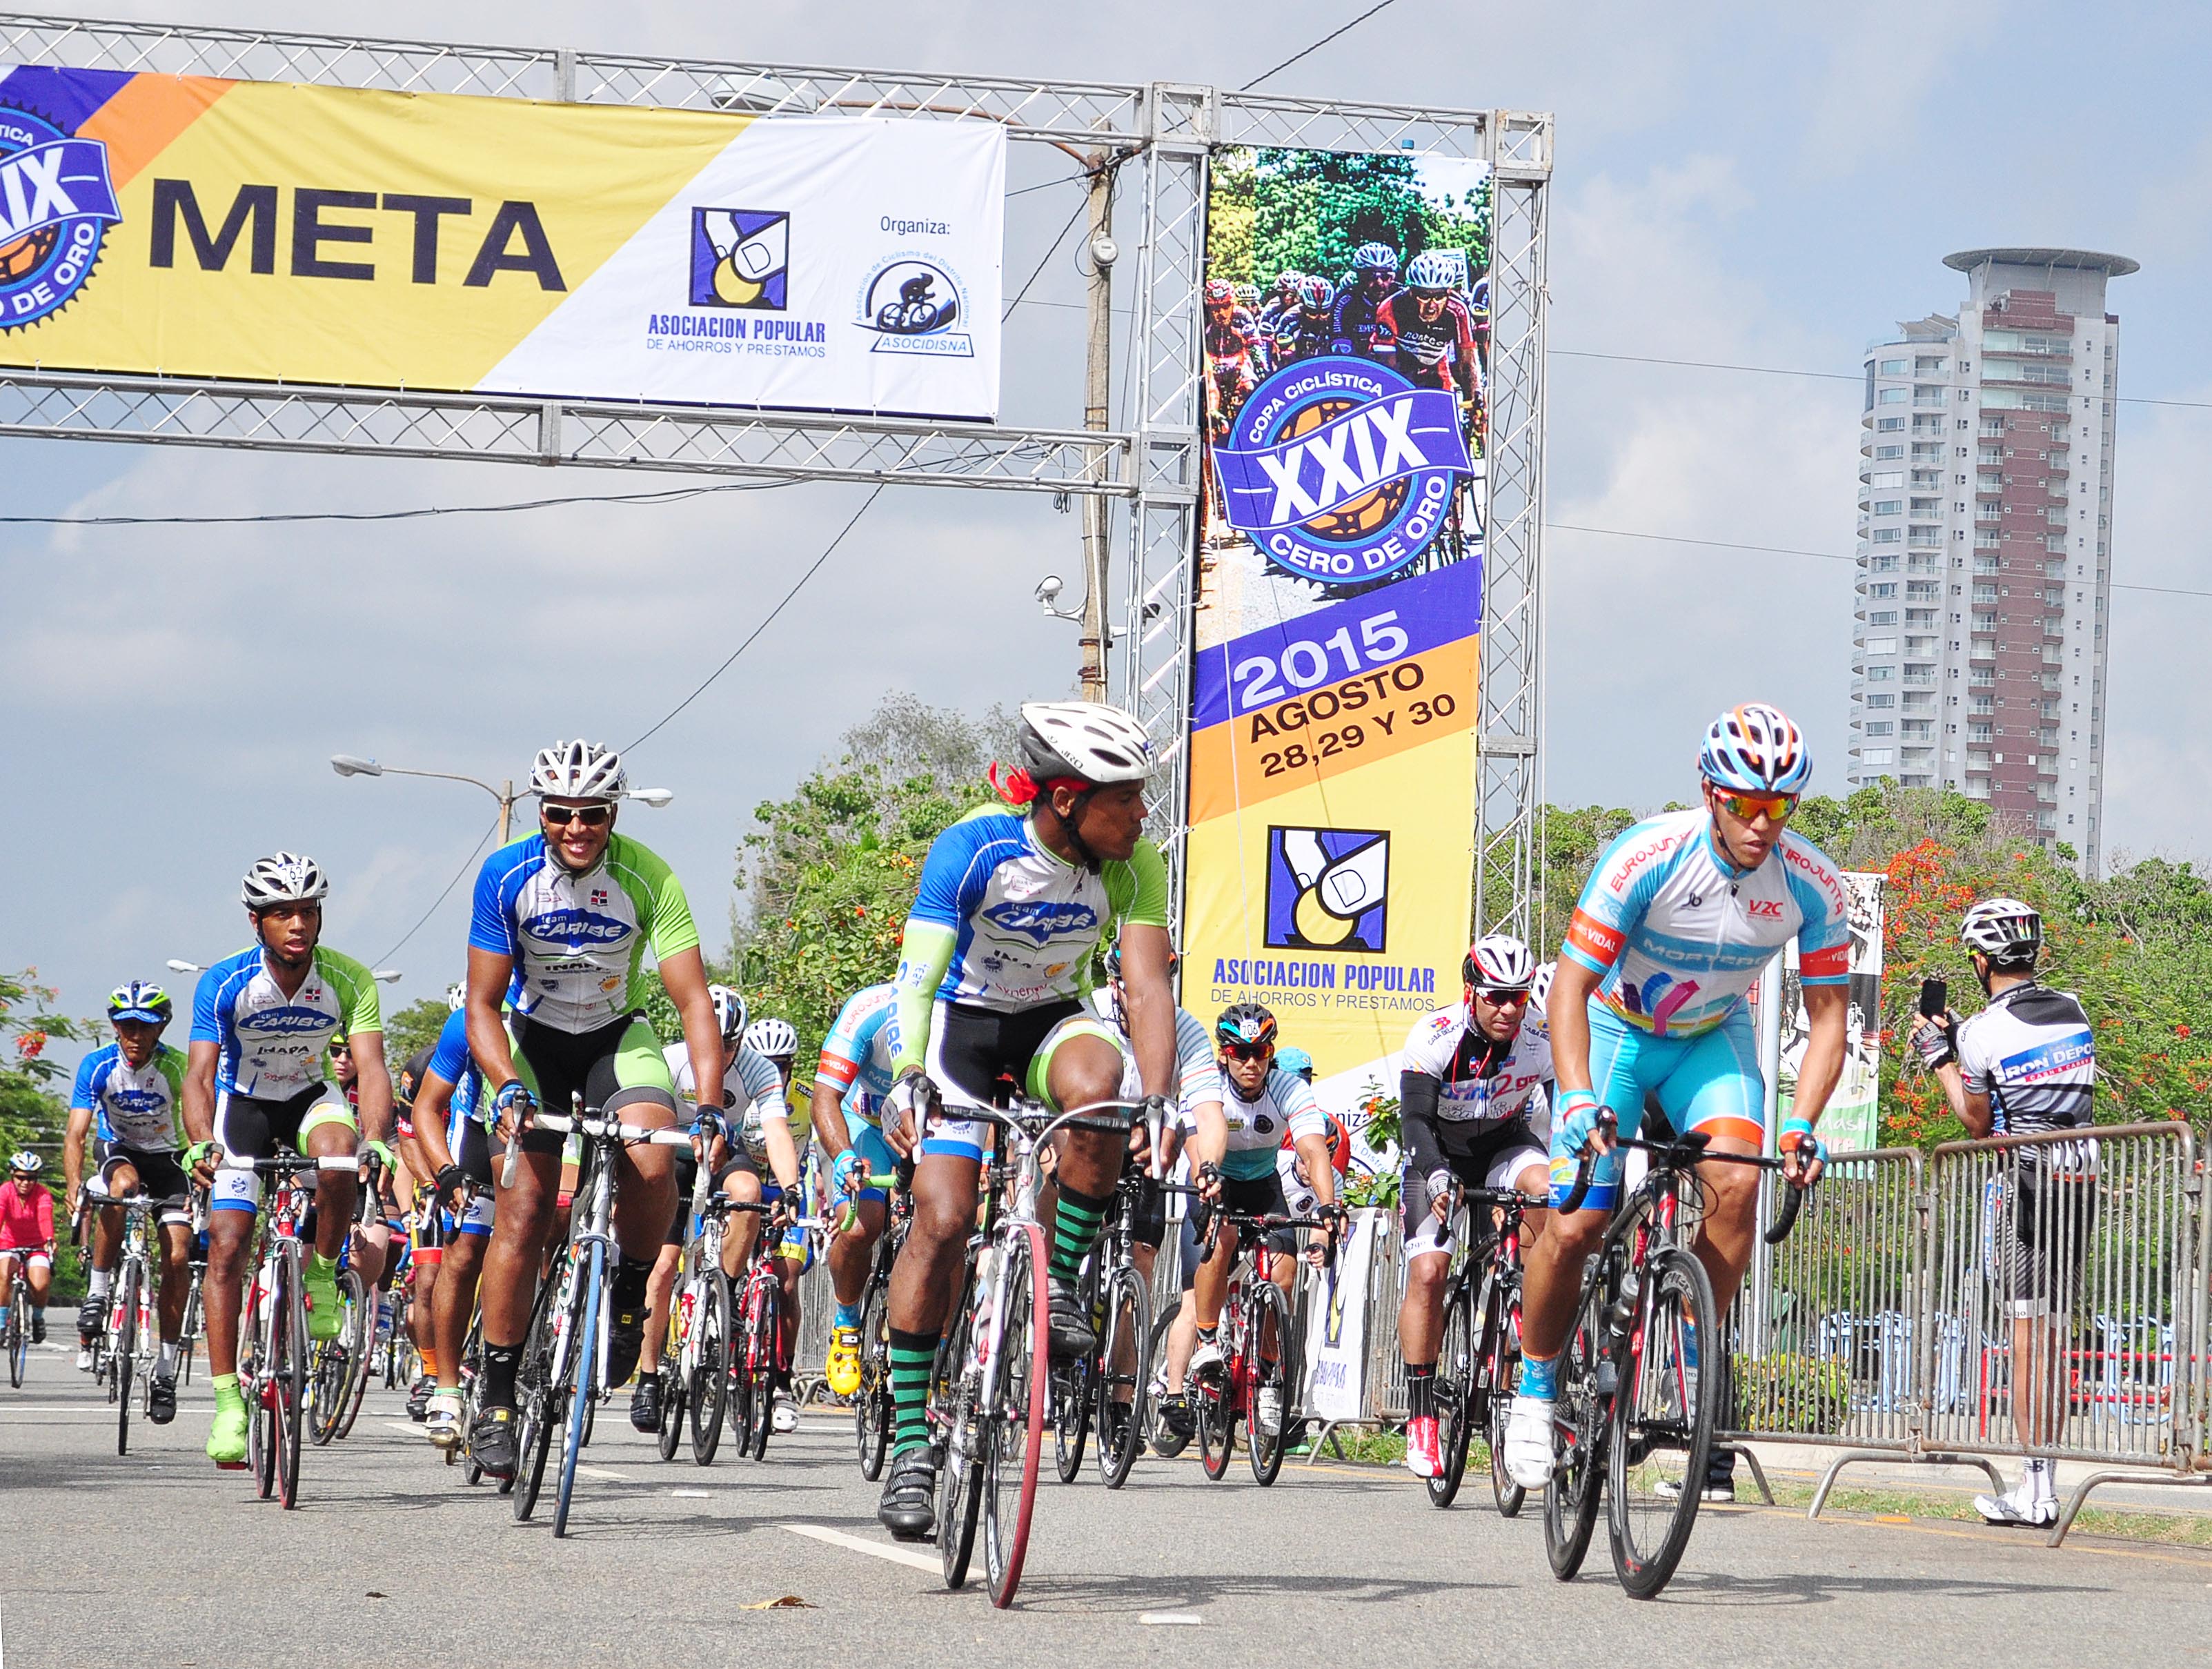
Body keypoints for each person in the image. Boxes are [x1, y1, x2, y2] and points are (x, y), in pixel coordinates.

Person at [1503, 705, 1845, 1499]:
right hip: (1612, 1028)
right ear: (1708, 792)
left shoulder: (1808, 882)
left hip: (1705, 1038)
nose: (1761, 824)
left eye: (1779, 807)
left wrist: (1800, 1123)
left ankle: (1692, 1349)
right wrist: (1580, 1095)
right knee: (1578, 1218)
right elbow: (1568, 989)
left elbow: (1829, 1017)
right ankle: (1534, 1385)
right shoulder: (1645, 855)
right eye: (1742, 803)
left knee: (1740, 1178)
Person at [871, 700, 1177, 1540]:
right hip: (958, 1032)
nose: (1142, 815)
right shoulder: (975, 849)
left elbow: (1148, 988)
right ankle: (909, 1449)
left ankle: (1064, 1282)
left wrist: (1162, 1096)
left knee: (1104, 1086)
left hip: (1050, 1021)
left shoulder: (1133, 864)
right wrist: (904, 1075)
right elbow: (917, 980)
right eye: (1127, 798)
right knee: (942, 1218)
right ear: (1069, 798)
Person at [462, 740, 722, 1479]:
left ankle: (633, 1288)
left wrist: (705, 1103)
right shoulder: (506, 874)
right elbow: (482, 1004)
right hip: (533, 1043)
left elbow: (692, 998)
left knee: (651, 1155)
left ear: (614, 812)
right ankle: (500, 1396)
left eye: (593, 813)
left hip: (616, 1035)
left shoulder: (647, 875)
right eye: (561, 813)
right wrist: (506, 1084)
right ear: (542, 814)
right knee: (524, 1210)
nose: (576, 826)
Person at [183, 853, 395, 1469]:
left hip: (309, 1097)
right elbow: (198, 1075)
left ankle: (323, 1271)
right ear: (257, 922)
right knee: (227, 1243)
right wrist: (201, 1141)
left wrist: (376, 1138)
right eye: (282, 913)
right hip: (243, 1105)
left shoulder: (350, 979)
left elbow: (373, 1067)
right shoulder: (224, 981)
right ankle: (228, 1402)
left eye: (307, 910)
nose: (297, 923)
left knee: (340, 1158)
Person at [1914, 898, 2095, 1528]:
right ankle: (2045, 1479)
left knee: (2025, 1332)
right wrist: (1963, 1037)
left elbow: (1977, 1117)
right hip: (2081, 1179)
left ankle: (2033, 1489)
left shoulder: (1981, 1034)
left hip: (2023, 1186)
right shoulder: (2074, 1009)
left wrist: (1940, 1056)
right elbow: (2026, 1059)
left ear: (1980, 960)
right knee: (2055, 1330)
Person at [1395, 935, 1552, 1480]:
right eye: (1497, 996)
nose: (1510, 1008)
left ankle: (1525, 1299)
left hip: (1503, 1147)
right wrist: (1436, 1175)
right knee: (1431, 1270)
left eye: (1520, 996)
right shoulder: (1435, 1034)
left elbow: (1563, 1106)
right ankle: (1421, 1413)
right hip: (1435, 1154)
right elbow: (1413, 1120)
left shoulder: (1540, 1035)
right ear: (1471, 992)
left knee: (1546, 1184)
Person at [634, 996, 797, 1436]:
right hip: (674, 1152)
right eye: (711, 1041)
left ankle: (724, 1287)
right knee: (664, 1266)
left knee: (747, 1192)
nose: (720, 1052)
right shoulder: (669, 1061)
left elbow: (778, 1132)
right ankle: (649, 1378)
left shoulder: (758, 1069)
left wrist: (792, 1187)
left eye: (729, 1044)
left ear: (740, 1041)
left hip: (725, 1149)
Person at [1185, 1003, 1339, 1442]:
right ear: (1224, 1054)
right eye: (1240, 1052)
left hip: (1263, 1181)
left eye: (1261, 1052)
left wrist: (1327, 1207)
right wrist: (1206, 1179)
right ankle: (1208, 1339)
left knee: (1285, 1271)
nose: (1251, 1062)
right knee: (1224, 1235)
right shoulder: (1209, 1085)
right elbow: (1197, 1142)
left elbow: (1314, 1149)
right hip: (1215, 1175)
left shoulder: (1288, 1087)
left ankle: (1268, 1375)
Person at [65, 981, 192, 1415]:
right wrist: (70, 1186)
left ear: (161, 1029)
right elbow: (77, 1132)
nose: (135, 1035)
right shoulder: (98, 1065)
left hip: (169, 1158)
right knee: (120, 1190)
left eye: (146, 1026)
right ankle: (99, 1291)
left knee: (177, 1256)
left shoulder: (176, 1067)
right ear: (115, 1027)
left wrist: (202, 1173)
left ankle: (166, 1371)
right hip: (118, 1151)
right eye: (126, 1025)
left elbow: (198, 1123)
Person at [811, 980, 902, 1400]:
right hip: (866, 1124)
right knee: (863, 1226)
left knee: (950, 1226)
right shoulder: (869, 1009)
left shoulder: (959, 1010)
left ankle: (938, 1350)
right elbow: (825, 1097)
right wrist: (845, 1157)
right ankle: (847, 1324)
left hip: (925, 1128)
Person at [406, 1001, 491, 1449]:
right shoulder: (461, 1029)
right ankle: (445, 1382)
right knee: (461, 1255)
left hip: (543, 1131)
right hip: (478, 1131)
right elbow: (415, 1123)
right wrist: (441, 1175)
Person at [1376, 251, 1481, 406]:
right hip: (1400, 366)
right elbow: (1387, 365)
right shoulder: (1391, 307)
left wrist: (1474, 399)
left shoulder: (1457, 311)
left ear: (1449, 292)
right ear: (1411, 292)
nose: (1431, 306)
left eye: (1439, 297)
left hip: (1436, 368)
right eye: (1424, 296)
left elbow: (1466, 363)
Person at [0, 1152, 55, 1351]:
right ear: (12, 1175)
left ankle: (38, 1318)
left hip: (37, 1245)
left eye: (31, 1178)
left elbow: (44, 1218)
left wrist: (49, 1239)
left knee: (40, 1284)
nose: (26, 1182)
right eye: (21, 1177)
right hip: (8, 1243)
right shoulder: (4, 1191)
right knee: (5, 1273)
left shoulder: (43, 1194)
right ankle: (1, 1323)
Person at [1327, 241, 1401, 359]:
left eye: (1385, 276)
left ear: (1393, 277)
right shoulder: (1346, 301)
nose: (1379, 283)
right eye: (1370, 277)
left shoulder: (1401, 298)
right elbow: (1339, 345)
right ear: (1360, 277)